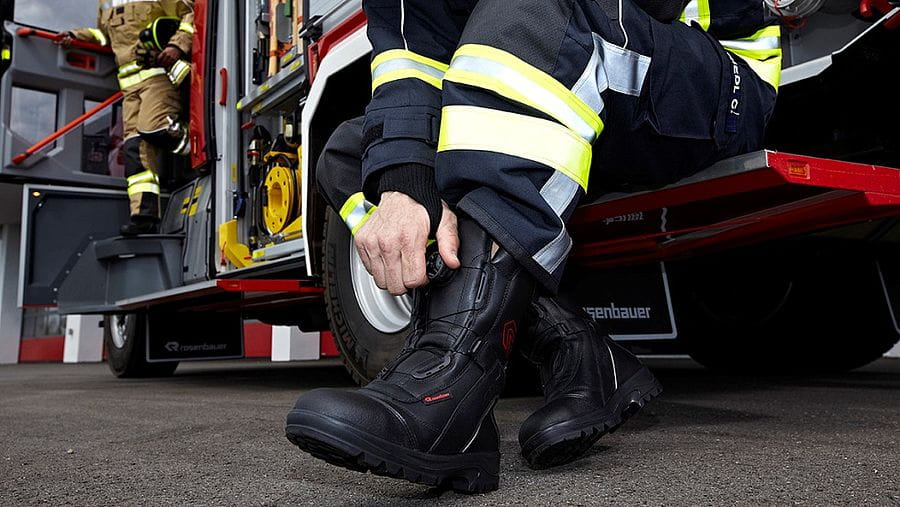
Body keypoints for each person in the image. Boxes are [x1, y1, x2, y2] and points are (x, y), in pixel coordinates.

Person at [286, 0, 781, 493]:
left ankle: (454, 373)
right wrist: (406, 180)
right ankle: (572, 346)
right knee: (353, 154)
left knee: (522, 22)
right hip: (589, 72)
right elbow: (412, 58)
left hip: (708, 73)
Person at [60, 0, 195, 235]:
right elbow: (105, 36)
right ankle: (144, 215)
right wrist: (77, 36)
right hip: (129, 88)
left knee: (154, 128)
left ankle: (193, 142)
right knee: (134, 148)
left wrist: (177, 46)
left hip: (157, 76)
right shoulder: (105, 4)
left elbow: (188, 14)